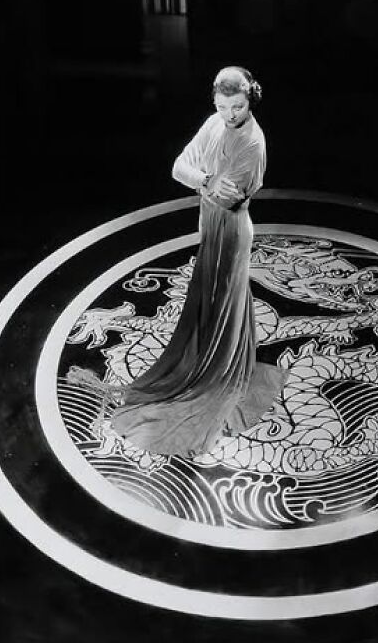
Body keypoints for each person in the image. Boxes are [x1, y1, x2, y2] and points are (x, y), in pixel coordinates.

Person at [69, 66, 287, 458]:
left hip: (233, 232)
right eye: (222, 106)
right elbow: (178, 167)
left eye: (236, 107)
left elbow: (229, 197)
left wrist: (201, 180)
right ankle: (213, 358)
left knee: (224, 299)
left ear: (249, 100)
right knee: (213, 300)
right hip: (210, 224)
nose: (229, 115)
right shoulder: (213, 123)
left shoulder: (254, 143)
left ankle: (219, 370)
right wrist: (205, 180)